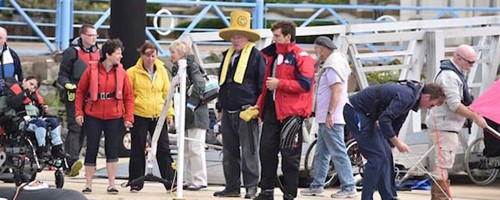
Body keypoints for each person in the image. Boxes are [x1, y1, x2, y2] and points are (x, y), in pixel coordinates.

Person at [343, 80, 446, 200]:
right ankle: (367, 197)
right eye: (432, 105)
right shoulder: (407, 96)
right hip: (355, 111)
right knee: (377, 158)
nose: (430, 108)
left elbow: (397, 122)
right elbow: (384, 120)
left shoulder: (411, 98)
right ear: (427, 97)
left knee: (387, 155)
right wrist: (398, 143)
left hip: (368, 115)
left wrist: (391, 146)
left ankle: (389, 196)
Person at [253, 21, 315, 200]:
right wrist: (260, 104)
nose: (274, 39)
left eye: (277, 36)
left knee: (290, 155)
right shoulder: (272, 55)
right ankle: (266, 191)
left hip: (292, 113)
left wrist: (280, 84)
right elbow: (266, 86)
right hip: (273, 109)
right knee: (266, 150)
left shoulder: (301, 56)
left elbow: (305, 84)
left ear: (288, 36)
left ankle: (289, 194)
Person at [213, 10, 265, 199]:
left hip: (247, 109)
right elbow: (222, 83)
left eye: (240, 36)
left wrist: (259, 109)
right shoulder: (227, 56)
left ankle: (251, 187)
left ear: (247, 38)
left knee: (250, 151)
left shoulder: (256, 56)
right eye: (233, 37)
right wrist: (219, 107)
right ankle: (232, 186)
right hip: (228, 109)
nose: (236, 40)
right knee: (229, 151)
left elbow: (262, 85)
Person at [425, 44, 487, 200]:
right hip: (444, 124)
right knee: (443, 164)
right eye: (469, 62)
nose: (471, 66)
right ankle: (441, 197)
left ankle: (440, 196)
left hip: (447, 124)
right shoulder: (449, 76)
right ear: (458, 58)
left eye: (474, 62)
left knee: (443, 163)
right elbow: (454, 105)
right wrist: (474, 116)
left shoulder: (456, 73)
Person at [75, 39, 134, 194]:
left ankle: (112, 183)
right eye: (118, 53)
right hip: (93, 114)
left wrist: (129, 117)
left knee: (112, 149)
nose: (120, 56)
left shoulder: (122, 72)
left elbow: (128, 96)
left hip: (114, 115)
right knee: (91, 148)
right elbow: (80, 92)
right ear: (108, 54)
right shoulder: (91, 70)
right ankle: (88, 183)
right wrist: (79, 112)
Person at [300, 36, 356, 198]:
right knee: (322, 153)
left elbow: (336, 90)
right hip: (326, 117)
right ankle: (317, 185)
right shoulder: (335, 61)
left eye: (317, 51)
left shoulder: (332, 66)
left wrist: (330, 113)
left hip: (331, 117)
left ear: (322, 48)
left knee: (338, 152)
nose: (317, 54)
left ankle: (348, 186)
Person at [126, 42, 175, 192]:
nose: (150, 58)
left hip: (158, 115)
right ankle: (135, 181)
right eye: (147, 55)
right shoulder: (132, 72)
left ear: (157, 55)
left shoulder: (162, 71)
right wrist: (127, 115)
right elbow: (128, 95)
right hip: (139, 113)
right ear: (142, 55)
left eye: (153, 55)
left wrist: (169, 113)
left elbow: (167, 93)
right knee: (137, 148)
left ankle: (171, 181)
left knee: (163, 148)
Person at [57, 24, 100, 177]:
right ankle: (71, 161)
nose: (94, 38)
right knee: (75, 126)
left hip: (92, 96)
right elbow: (61, 75)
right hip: (74, 95)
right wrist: (68, 85)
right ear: (82, 36)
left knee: (86, 129)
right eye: (91, 35)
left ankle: (73, 160)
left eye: (96, 35)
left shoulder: (98, 53)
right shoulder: (71, 52)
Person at [169, 40, 209, 191]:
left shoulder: (191, 67)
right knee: (185, 148)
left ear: (181, 53)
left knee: (195, 147)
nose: (171, 55)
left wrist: (190, 106)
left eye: (173, 52)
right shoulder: (178, 68)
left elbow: (199, 86)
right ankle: (187, 179)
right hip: (184, 112)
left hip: (195, 113)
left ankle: (199, 179)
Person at [4, 75, 65, 159]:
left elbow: (38, 113)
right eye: (31, 84)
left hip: (35, 120)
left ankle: (57, 148)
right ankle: (41, 149)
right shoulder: (13, 92)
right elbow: (12, 104)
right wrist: (24, 93)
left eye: (34, 87)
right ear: (24, 81)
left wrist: (42, 109)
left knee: (54, 121)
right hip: (21, 121)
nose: (32, 87)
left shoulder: (34, 97)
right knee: (40, 123)